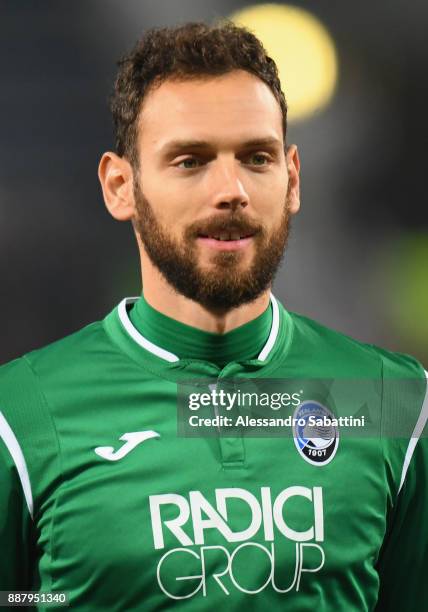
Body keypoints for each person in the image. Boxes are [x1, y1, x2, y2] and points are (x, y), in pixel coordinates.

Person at [0, 21, 427, 611]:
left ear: (293, 178)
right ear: (120, 185)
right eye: (189, 160)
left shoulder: (390, 401)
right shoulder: (19, 415)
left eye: (256, 157)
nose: (231, 190)